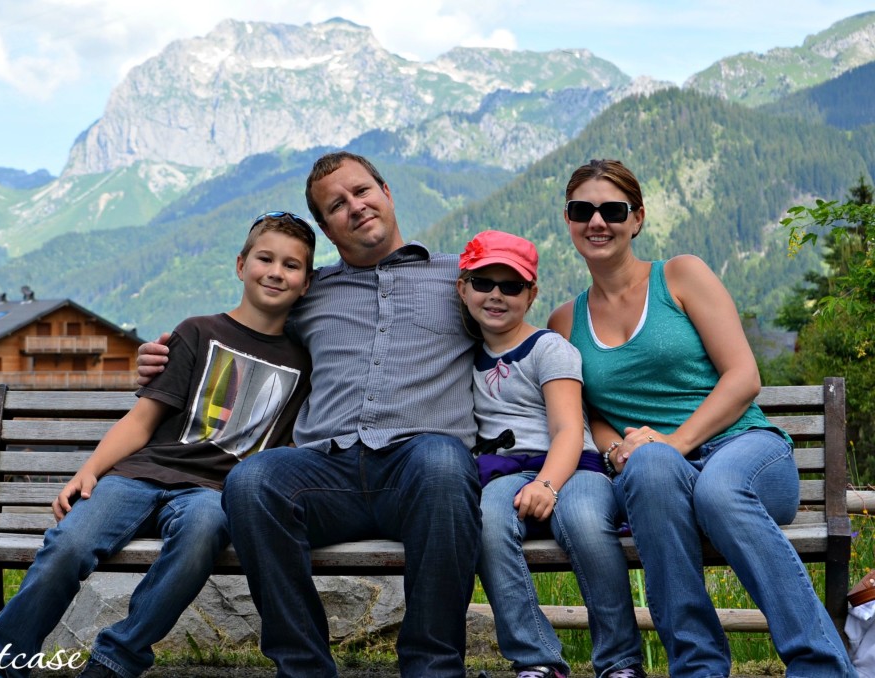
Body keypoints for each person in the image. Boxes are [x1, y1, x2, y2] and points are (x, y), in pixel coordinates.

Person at [137, 151, 481, 678]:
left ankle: (432, 668)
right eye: (337, 205)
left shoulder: (460, 279)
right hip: (325, 471)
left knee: (443, 461)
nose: (356, 207)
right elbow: (238, 334)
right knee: (252, 481)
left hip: (420, 468)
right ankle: (303, 669)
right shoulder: (309, 292)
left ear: (386, 193)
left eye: (362, 191)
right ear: (326, 227)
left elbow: (518, 337)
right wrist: (160, 361)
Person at [0, 213, 315, 678]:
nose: (276, 271)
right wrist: (90, 469)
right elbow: (142, 420)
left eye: (291, 265)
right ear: (240, 265)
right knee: (68, 544)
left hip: (213, 494)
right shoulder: (197, 332)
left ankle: (116, 660)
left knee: (202, 535)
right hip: (138, 476)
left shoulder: (306, 360)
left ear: (306, 283)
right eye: (265, 258)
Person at [546, 159, 857, 677]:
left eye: (612, 210)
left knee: (715, 488)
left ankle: (820, 666)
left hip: (744, 449)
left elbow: (742, 376)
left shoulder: (680, 276)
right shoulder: (565, 321)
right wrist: (616, 450)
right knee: (646, 469)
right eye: (583, 210)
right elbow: (590, 414)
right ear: (568, 219)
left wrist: (674, 442)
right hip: (655, 477)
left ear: (637, 218)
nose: (597, 221)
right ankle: (697, 668)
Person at [457, 230, 644, 678]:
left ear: (532, 292)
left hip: (570, 467)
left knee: (583, 520)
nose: (496, 295)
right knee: (485, 521)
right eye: (483, 283)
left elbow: (567, 429)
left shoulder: (549, 348)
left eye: (512, 286)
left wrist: (547, 483)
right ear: (462, 288)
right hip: (504, 475)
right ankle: (536, 659)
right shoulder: (464, 357)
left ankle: (620, 660)